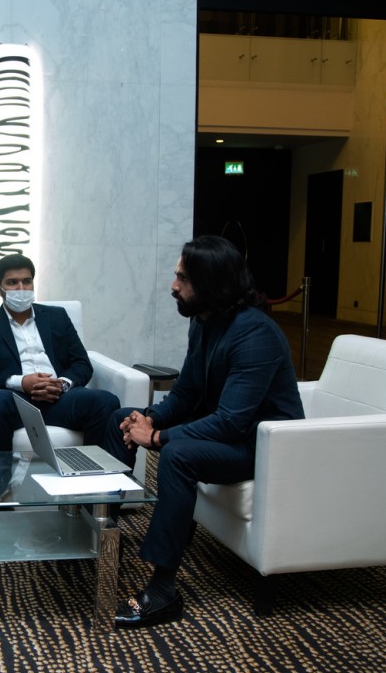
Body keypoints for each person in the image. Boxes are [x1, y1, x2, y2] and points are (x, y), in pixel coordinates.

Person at [104, 235, 304, 628]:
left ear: (212, 282)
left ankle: (163, 592)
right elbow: (187, 393)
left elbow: (231, 421)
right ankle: (105, 535)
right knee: (120, 417)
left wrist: (157, 438)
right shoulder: (204, 320)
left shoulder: (255, 334)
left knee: (178, 455)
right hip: (227, 434)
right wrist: (148, 419)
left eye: (183, 278)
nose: (173, 286)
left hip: (263, 448)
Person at [0, 254, 121, 454]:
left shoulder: (57, 316)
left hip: (59, 397)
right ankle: (0, 474)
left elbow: (82, 363)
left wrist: (61, 384)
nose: (21, 288)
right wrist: (21, 382)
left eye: (27, 281)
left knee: (105, 402)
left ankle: (91, 470)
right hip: (14, 400)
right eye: (12, 283)